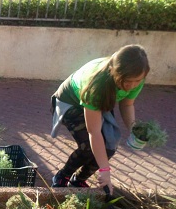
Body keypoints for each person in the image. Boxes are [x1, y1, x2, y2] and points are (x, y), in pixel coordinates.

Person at [50, 44, 150, 193]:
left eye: (137, 81)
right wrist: (105, 170)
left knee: (109, 146)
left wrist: (133, 127)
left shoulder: (137, 77)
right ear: (115, 72)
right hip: (70, 103)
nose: (132, 86)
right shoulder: (97, 84)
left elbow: (127, 104)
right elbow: (94, 132)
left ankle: (78, 180)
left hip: (101, 103)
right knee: (89, 147)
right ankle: (62, 176)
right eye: (128, 81)